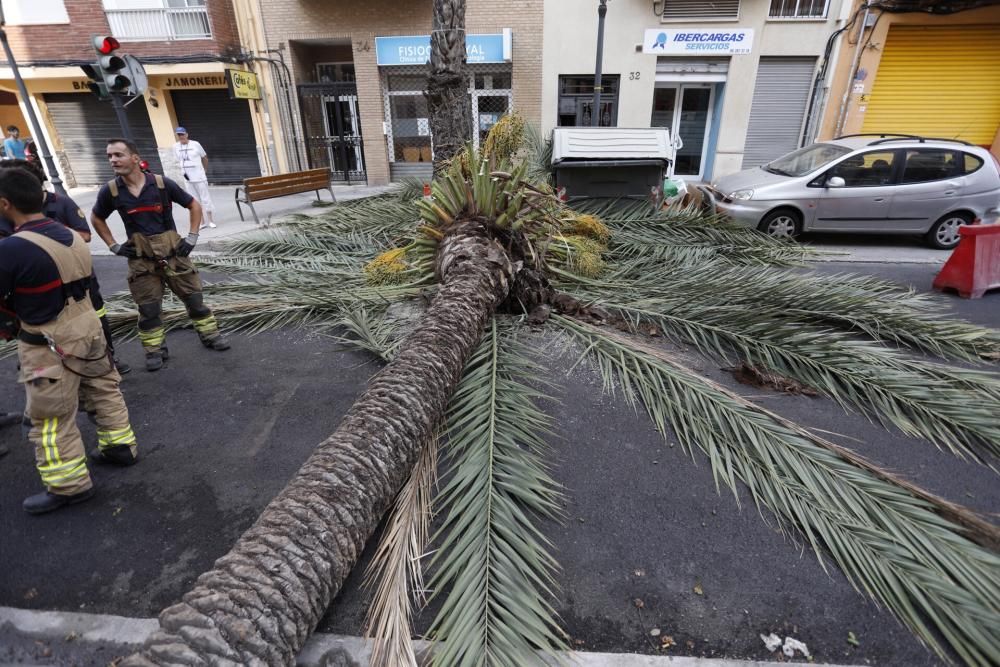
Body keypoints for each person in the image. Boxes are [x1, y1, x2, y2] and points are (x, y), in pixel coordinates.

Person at [0, 168, 139, 514]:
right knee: (104, 388)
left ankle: (68, 485)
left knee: (50, 417)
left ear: (5, 204)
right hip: (88, 326)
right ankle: (119, 446)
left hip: (49, 341)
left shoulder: (12, 249)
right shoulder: (69, 235)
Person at [91, 138, 230, 372]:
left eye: (118, 155)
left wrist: (192, 237)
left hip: (175, 255)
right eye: (109, 156)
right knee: (149, 309)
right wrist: (113, 246)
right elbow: (96, 218)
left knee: (195, 300)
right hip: (142, 262)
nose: (113, 160)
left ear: (135, 158)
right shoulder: (111, 191)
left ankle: (210, 335)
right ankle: (155, 350)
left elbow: (194, 205)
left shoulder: (161, 184)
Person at [0, 159, 130, 374]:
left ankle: (106, 358)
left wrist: (43, 237)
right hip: (37, 294)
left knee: (95, 319)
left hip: (78, 283)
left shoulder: (61, 203)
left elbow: (85, 235)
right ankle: (52, 363)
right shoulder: (5, 218)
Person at [172, 127, 216, 228]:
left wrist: (204, 170)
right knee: (194, 200)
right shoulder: (175, 147)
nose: (181, 136)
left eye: (182, 134)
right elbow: (177, 160)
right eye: (179, 135)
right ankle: (202, 222)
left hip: (199, 177)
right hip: (187, 178)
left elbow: (204, 158)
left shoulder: (195, 144)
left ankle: (211, 220)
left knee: (206, 199)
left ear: (187, 134)